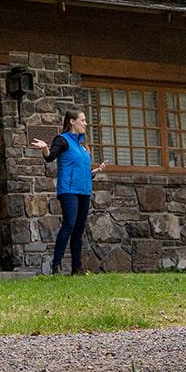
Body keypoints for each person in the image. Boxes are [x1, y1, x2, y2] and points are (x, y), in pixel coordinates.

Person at [29, 108, 106, 274]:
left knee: (79, 229)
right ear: (72, 121)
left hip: (84, 191)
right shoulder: (62, 140)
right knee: (69, 224)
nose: (85, 123)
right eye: (82, 120)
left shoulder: (83, 147)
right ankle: (56, 265)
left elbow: (83, 171)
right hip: (69, 190)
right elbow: (50, 158)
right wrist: (45, 148)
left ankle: (76, 268)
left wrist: (95, 171)